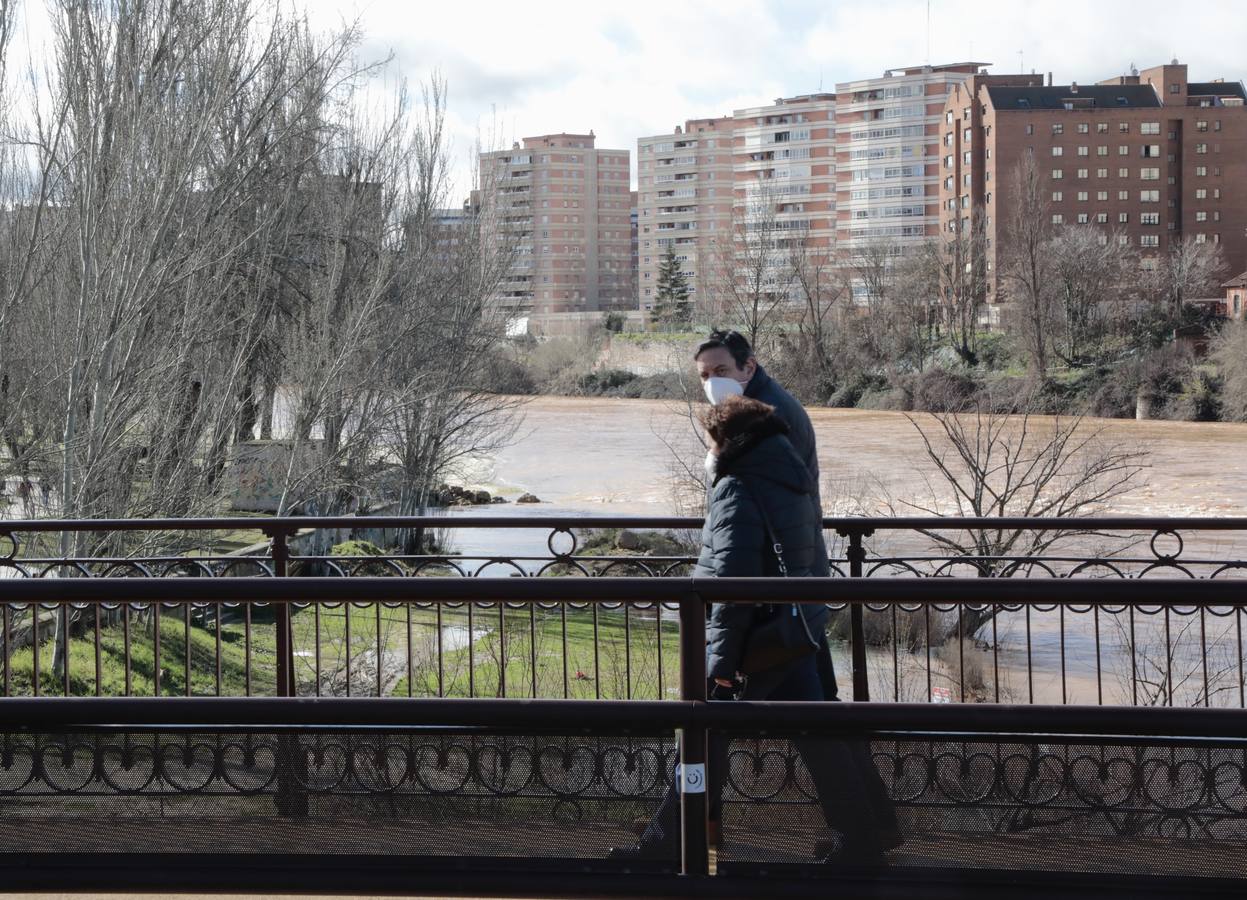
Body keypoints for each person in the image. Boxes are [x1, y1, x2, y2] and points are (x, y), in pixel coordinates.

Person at [609, 396, 895, 864]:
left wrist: (720, 664)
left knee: (702, 737)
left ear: (726, 439)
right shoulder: (790, 478)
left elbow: (732, 581)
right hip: (791, 634)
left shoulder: (739, 487)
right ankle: (862, 840)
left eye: (709, 439)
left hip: (755, 646)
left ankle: (668, 846)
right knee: (821, 744)